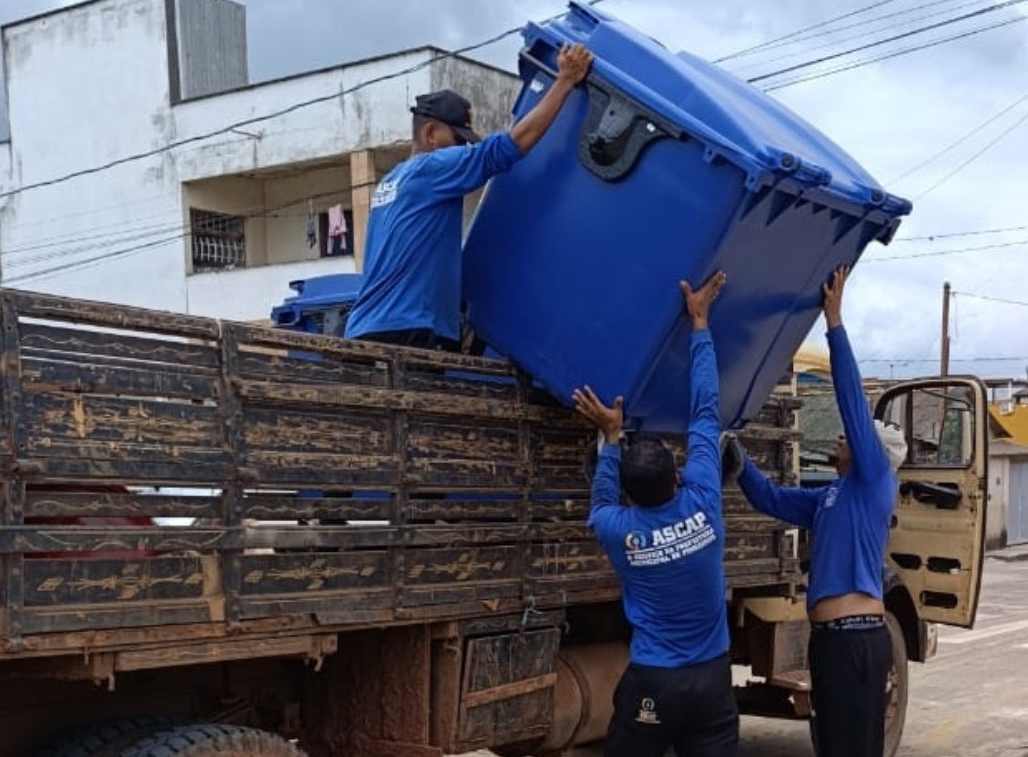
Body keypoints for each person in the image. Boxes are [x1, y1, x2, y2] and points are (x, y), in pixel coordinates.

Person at [724, 265, 908, 757]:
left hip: (856, 640)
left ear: (870, 452)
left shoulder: (874, 482)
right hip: (828, 641)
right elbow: (770, 498)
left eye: (852, 438)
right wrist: (735, 452)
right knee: (831, 747)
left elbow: (852, 404)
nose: (842, 438)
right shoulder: (831, 497)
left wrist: (835, 323)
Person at [572, 270, 737, 757]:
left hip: (655, 681)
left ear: (631, 495)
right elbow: (706, 412)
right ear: (678, 477)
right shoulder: (704, 500)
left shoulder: (617, 530)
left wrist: (611, 436)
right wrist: (700, 325)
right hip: (712, 680)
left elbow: (602, 499)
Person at [343, 43, 594, 351]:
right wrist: (565, 81)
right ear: (430, 134)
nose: (462, 150)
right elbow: (506, 149)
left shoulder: (392, 181)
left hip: (365, 331)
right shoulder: (432, 167)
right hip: (408, 330)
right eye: (457, 140)